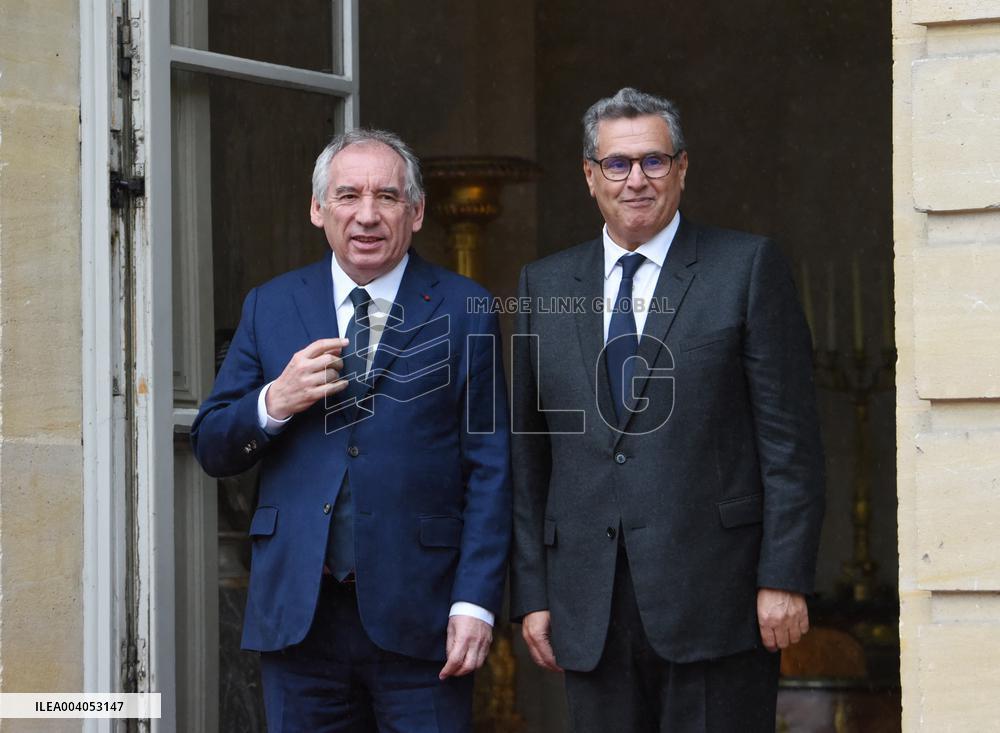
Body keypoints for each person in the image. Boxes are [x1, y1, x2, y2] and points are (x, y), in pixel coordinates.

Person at [510, 87, 825, 731]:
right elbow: (529, 454)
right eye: (617, 164)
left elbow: (789, 442)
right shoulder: (543, 284)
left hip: (721, 597)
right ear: (590, 176)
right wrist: (533, 594)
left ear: (682, 168)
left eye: (654, 161)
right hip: (589, 601)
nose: (636, 180)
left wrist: (784, 577)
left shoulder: (746, 267)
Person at [192, 128, 511, 732]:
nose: (367, 215)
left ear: (415, 213)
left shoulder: (466, 308)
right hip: (300, 618)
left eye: (387, 197)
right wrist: (275, 401)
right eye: (348, 196)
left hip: (424, 618)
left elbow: (491, 468)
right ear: (318, 209)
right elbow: (212, 446)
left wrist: (476, 601)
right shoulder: (271, 304)